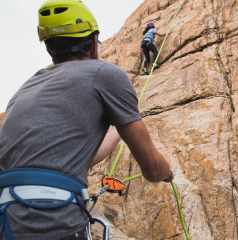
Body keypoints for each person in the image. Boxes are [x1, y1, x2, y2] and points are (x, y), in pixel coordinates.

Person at [0, 0, 173, 239]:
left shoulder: (24, 89)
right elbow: (153, 169)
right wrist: (167, 173)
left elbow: (67, 160)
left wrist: (118, 129)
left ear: (50, 49)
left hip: (8, 219)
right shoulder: (105, 73)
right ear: (93, 44)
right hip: (55, 219)